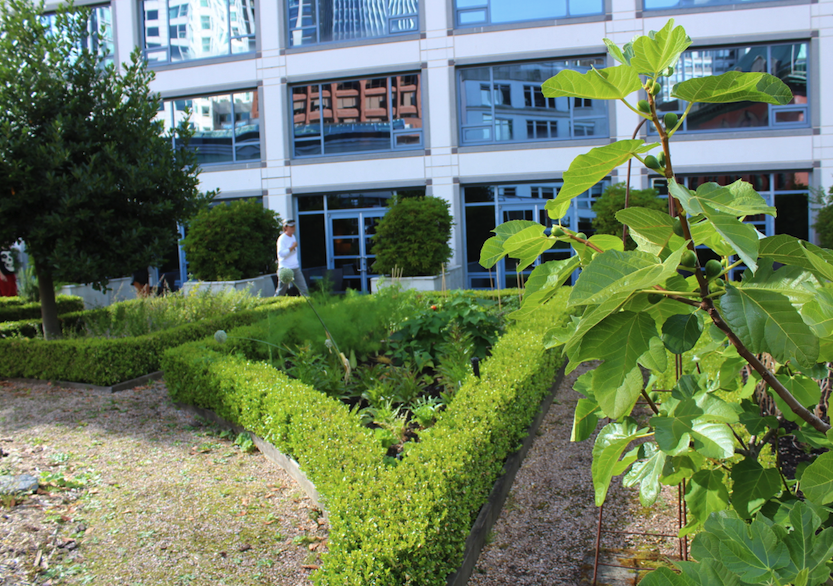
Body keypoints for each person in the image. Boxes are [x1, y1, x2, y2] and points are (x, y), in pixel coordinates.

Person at [276, 219, 308, 296]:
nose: (293, 228)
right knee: (281, 291)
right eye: (291, 226)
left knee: (304, 289)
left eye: (294, 226)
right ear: (285, 227)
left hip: (295, 268)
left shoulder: (293, 236)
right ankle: (274, 304)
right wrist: (291, 247)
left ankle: (309, 304)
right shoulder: (282, 238)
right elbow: (281, 254)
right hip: (285, 269)